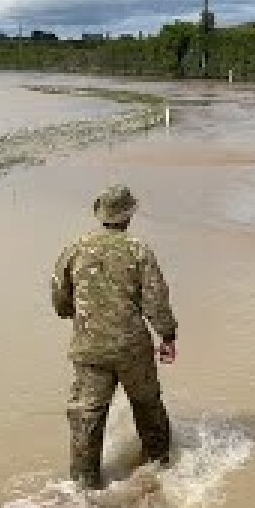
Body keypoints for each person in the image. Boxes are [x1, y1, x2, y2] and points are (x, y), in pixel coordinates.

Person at [50, 185, 177, 490]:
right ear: (129, 215)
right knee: (147, 407)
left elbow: (59, 297)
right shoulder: (138, 250)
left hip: (89, 348)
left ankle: (84, 487)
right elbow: (156, 300)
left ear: (101, 215)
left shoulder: (75, 249)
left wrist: (78, 316)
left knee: (87, 417)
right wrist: (167, 335)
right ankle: (161, 470)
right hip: (132, 348)